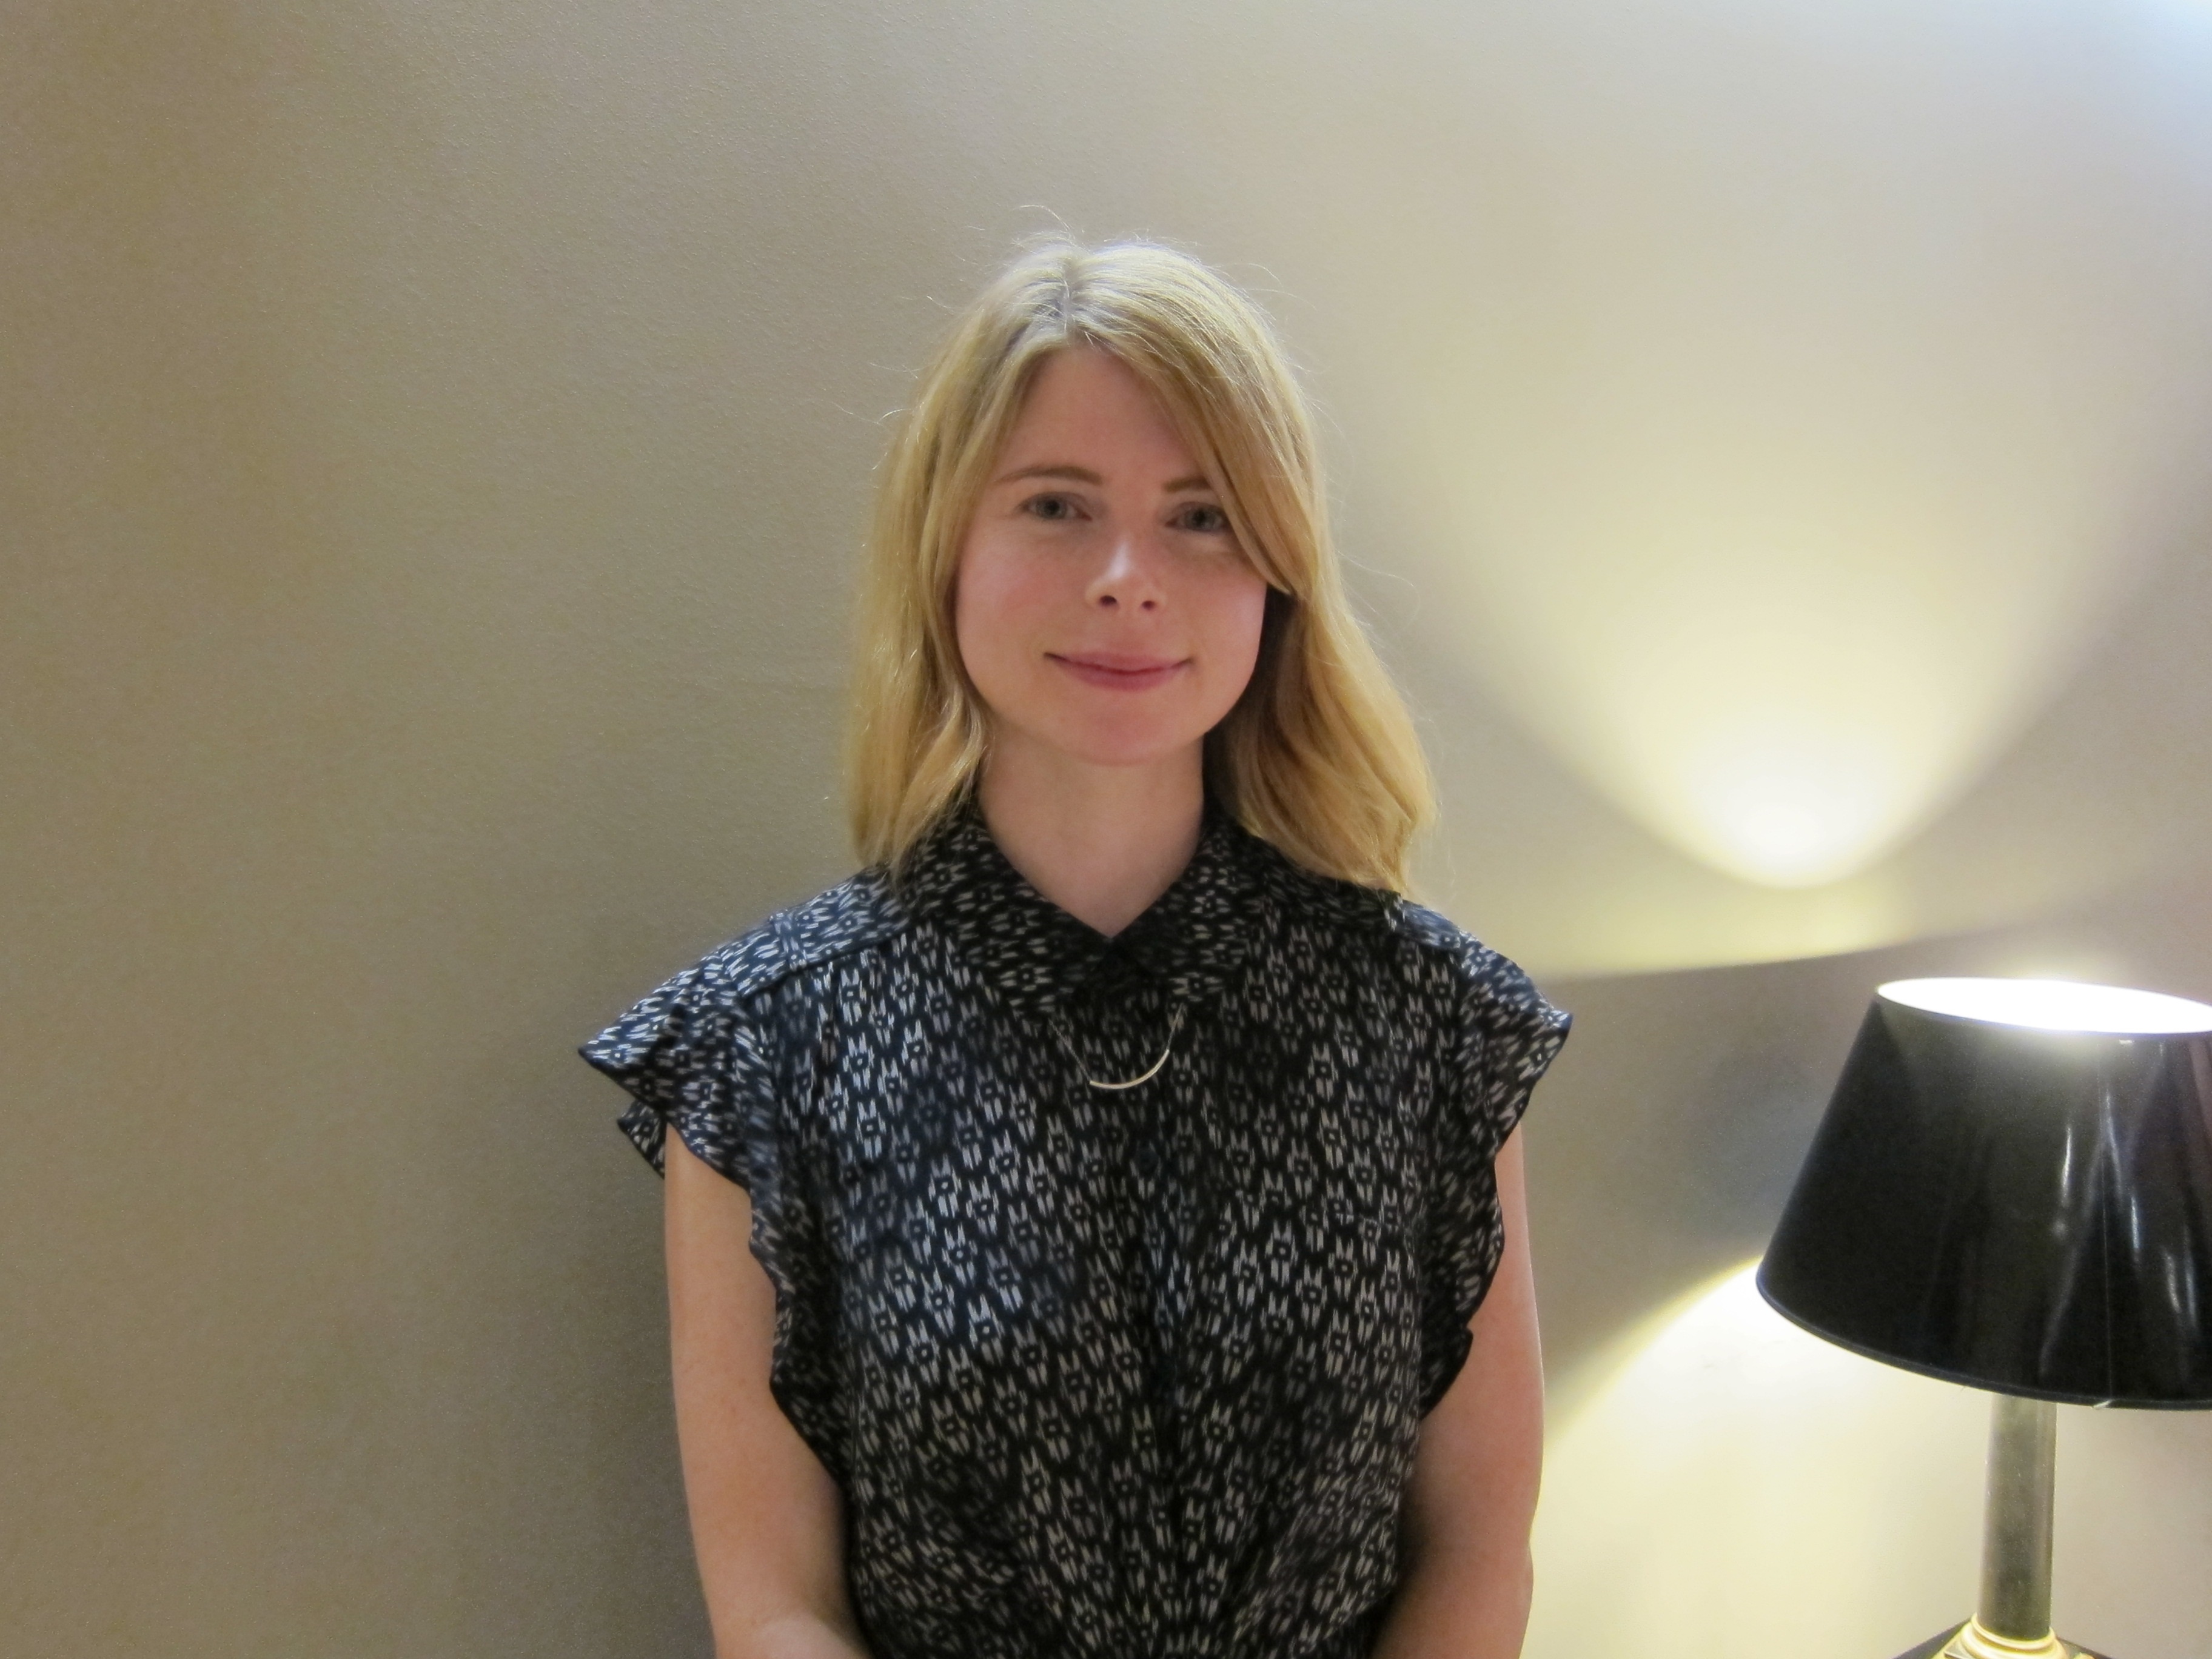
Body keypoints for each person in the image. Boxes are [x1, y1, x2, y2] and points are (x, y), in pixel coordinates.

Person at [579, 237, 1571, 1659]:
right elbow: (775, 1607)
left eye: (1202, 517)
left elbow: (1475, 1552)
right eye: (1056, 506)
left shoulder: (1431, 1023)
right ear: (947, 548)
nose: (1126, 578)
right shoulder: (761, 1056)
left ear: (1277, 577)